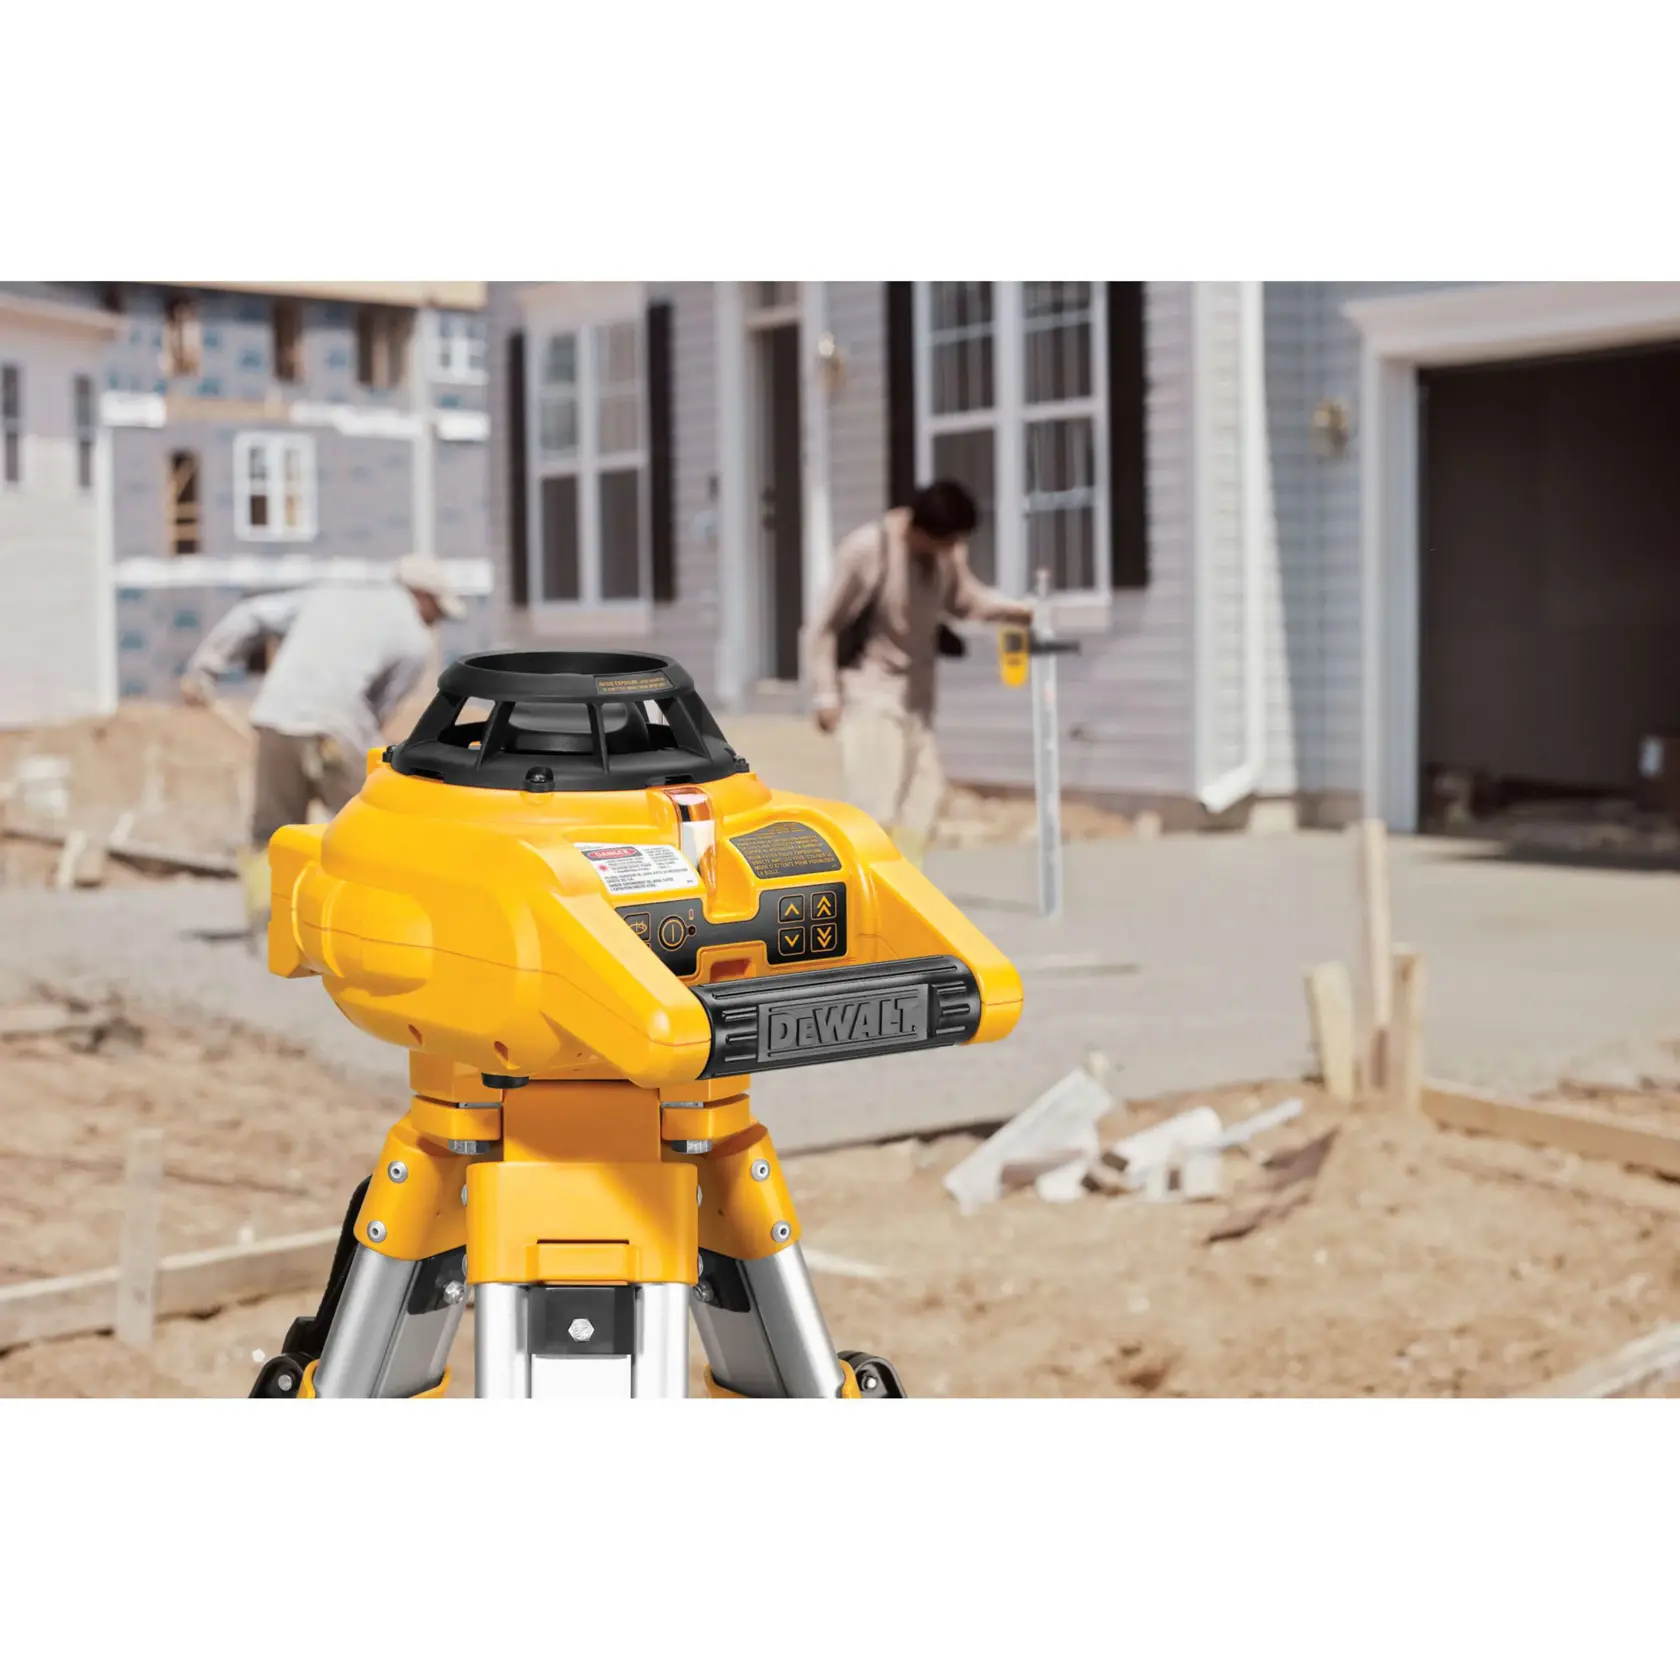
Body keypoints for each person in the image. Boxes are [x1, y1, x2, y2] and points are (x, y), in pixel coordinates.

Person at [180, 553, 466, 931]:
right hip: (336, 730)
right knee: (371, 826)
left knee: (272, 834)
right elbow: (378, 711)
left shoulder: (328, 595)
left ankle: (273, 927)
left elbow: (250, 614)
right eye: (438, 611)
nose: (437, 621)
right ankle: (379, 921)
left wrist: (205, 669)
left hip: (277, 720)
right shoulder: (414, 640)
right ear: (423, 596)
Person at [806, 481, 1034, 866]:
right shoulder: (869, 549)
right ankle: (870, 890)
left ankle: (905, 882)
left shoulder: (946, 555)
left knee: (923, 801)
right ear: (921, 530)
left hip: (917, 699)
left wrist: (1017, 611)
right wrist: (825, 695)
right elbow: (823, 626)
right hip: (870, 693)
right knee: (876, 808)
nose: (953, 551)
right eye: (947, 542)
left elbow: (966, 601)